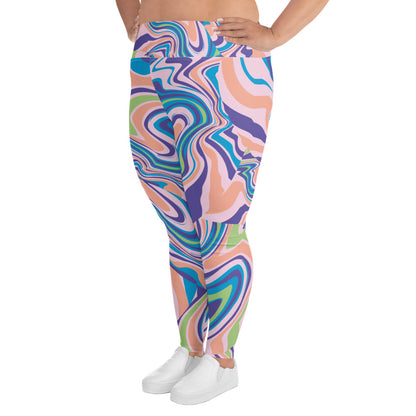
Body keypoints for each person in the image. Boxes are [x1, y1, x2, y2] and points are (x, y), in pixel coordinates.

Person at [116, 0, 330, 405]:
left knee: (220, 220)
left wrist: (276, 34)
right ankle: (192, 348)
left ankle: (222, 359)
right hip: (150, 53)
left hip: (221, 52)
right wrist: (133, 22)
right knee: (179, 223)